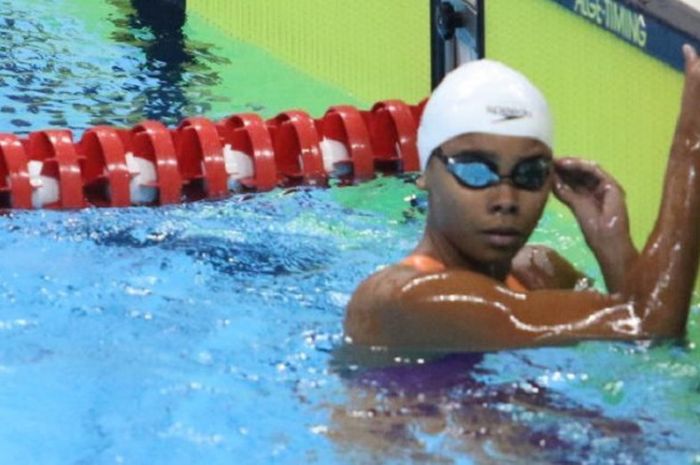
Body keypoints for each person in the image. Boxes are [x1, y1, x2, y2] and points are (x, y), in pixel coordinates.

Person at [344, 44, 700, 351]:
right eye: (475, 171)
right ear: (425, 173)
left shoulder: (541, 273)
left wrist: (612, 245)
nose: (506, 198)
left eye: (529, 173)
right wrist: (692, 144)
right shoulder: (408, 299)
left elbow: (648, 347)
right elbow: (646, 320)